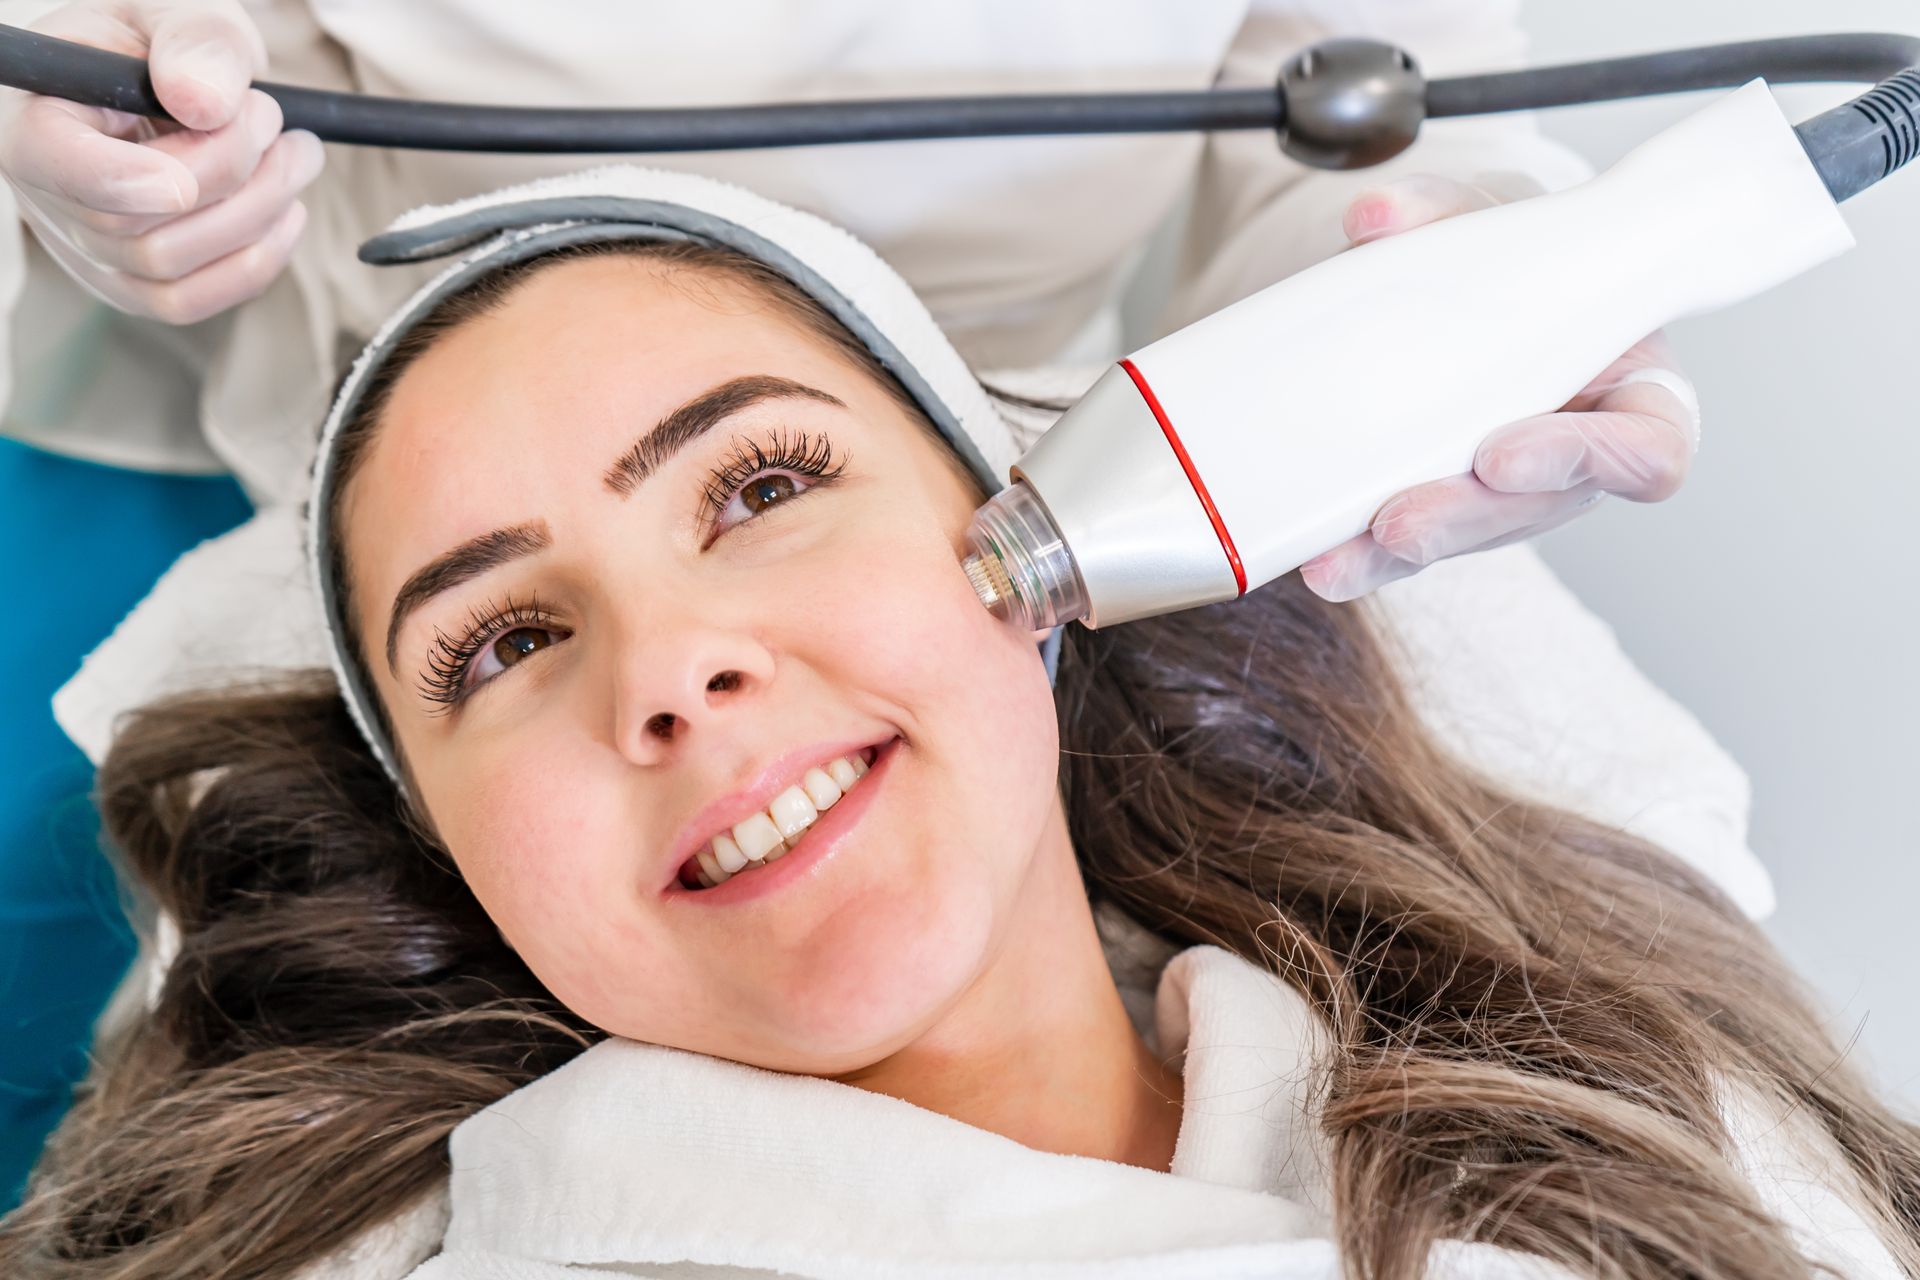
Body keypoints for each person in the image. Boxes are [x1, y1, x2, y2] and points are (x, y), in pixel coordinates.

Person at [0, 166, 1908, 1280]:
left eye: (755, 489)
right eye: (499, 644)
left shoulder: (1630, 1106)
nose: (665, 671)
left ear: (1045, 547)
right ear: (449, 845)